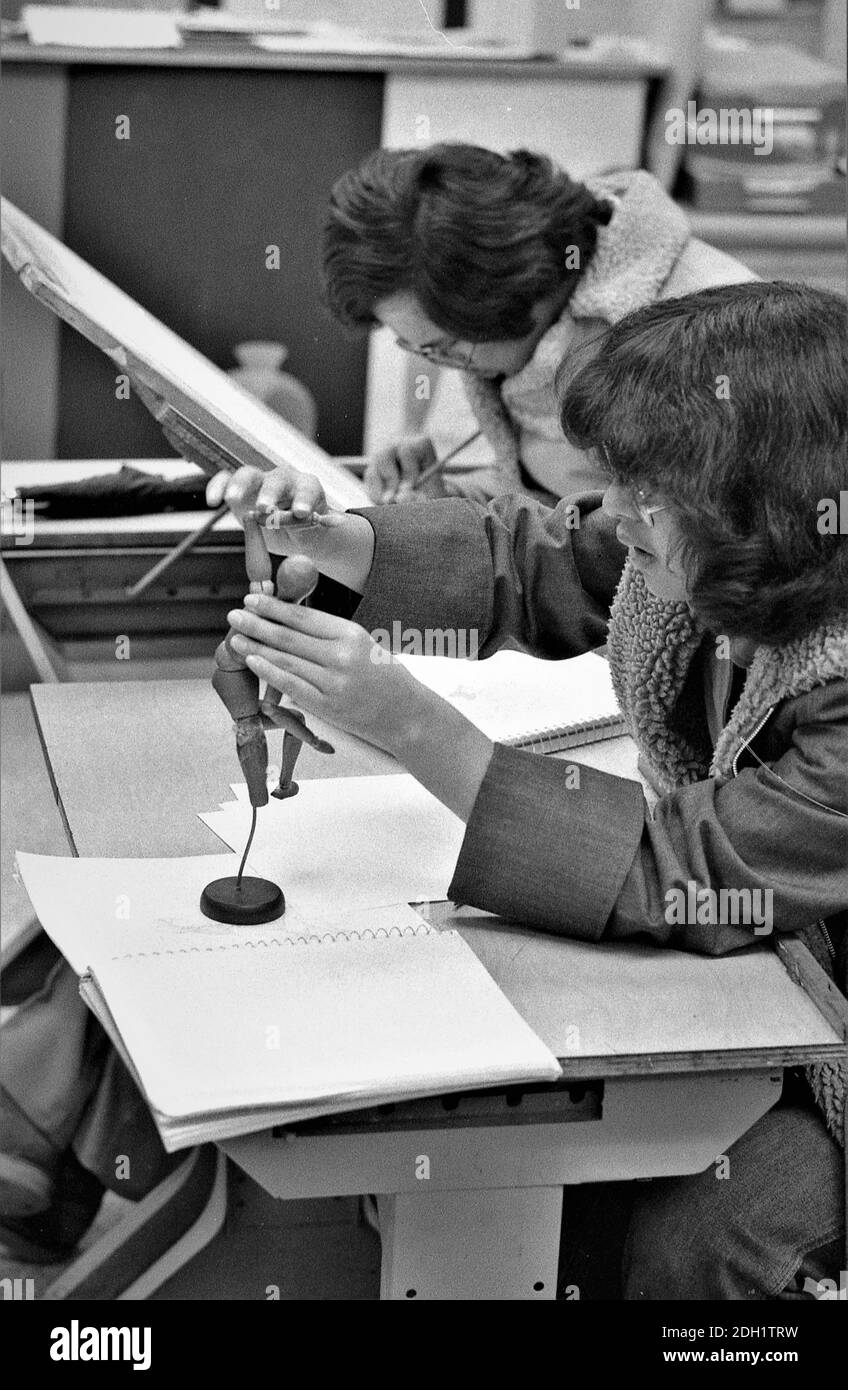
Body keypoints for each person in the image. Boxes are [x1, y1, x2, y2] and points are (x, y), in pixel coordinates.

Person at [205, 279, 847, 1298]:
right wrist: (335, 540)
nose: (615, 511)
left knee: (702, 1227)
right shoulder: (700, 538)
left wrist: (413, 725)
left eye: (648, 491)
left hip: (827, 1045)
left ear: (757, 506)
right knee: (568, 1170)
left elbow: (680, 866)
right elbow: (536, 554)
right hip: (760, 986)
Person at [322, 143, 757, 505]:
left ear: (510, 297)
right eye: (417, 349)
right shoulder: (554, 316)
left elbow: (636, 556)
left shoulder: (704, 348)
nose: (445, 364)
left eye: (443, 348)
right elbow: (556, 496)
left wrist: (462, 542)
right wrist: (447, 502)